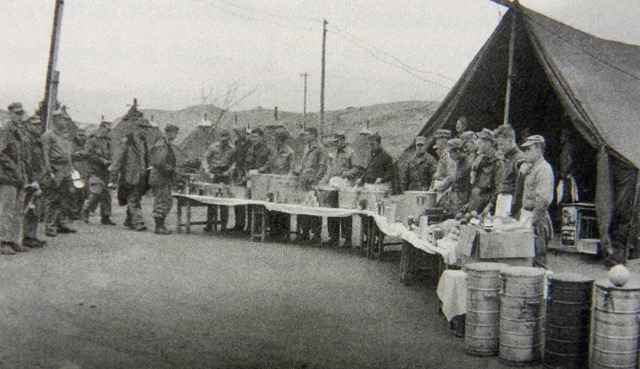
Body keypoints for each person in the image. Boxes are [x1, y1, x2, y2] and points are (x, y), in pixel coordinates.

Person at [111, 110, 152, 232]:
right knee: (133, 199)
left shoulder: (144, 142)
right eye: (143, 128)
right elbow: (117, 160)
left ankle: (129, 220)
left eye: (147, 128)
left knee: (136, 198)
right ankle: (138, 222)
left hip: (141, 176)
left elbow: (147, 159)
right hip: (128, 175)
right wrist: (113, 176)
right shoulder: (126, 141)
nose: (145, 130)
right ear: (137, 128)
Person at [519, 135, 554, 268]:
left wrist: (535, 219)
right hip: (527, 214)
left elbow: (543, 199)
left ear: (538, 150)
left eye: (529, 149)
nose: (525, 153)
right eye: (525, 150)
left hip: (537, 216)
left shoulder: (544, 169)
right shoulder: (532, 166)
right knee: (526, 257)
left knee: (538, 258)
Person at [322, 131, 359, 248]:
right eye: (334, 142)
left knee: (344, 212)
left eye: (338, 141)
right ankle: (333, 237)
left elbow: (357, 169)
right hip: (334, 184)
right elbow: (331, 168)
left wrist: (346, 173)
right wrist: (326, 180)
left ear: (343, 140)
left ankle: (347, 239)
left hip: (345, 186)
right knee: (332, 210)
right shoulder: (334, 153)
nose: (336, 144)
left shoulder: (350, 153)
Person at [42, 110, 77, 237]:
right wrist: (49, 171)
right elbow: (45, 154)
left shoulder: (64, 135)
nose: (65, 122)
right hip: (55, 168)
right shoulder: (48, 135)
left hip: (65, 169)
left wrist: (71, 167)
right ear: (56, 120)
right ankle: (50, 226)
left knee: (64, 197)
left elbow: (67, 154)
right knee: (53, 198)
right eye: (63, 119)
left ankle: (60, 223)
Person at [0, 103, 28, 254]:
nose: (20, 116)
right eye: (17, 113)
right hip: (7, 176)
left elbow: (23, 156)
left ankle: (14, 240)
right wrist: (14, 167)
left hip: (18, 177)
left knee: (18, 211)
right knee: (7, 210)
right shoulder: (6, 130)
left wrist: (23, 173)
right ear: (10, 114)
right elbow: (1, 152)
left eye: (21, 113)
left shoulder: (19, 132)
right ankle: (4, 241)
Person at [295, 127, 328, 244]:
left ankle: (317, 234)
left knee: (314, 207)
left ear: (314, 135)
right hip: (303, 181)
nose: (306, 137)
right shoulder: (306, 148)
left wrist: (315, 180)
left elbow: (322, 166)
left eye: (308, 135)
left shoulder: (320, 149)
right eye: (305, 135)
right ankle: (304, 232)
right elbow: (303, 164)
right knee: (303, 206)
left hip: (313, 182)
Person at [201, 129, 236, 232]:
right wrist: (207, 170)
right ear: (219, 138)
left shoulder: (233, 149)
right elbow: (205, 159)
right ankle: (210, 224)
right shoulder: (213, 147)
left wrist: (229, 171)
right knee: (211, 200)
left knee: (224, 201)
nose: (224, 140)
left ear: (229, 138)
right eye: (222, 138)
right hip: (214, 174)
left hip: (225, 176)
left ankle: (223, 226)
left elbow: (234, 162)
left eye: (226, 138)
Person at [81, 120, 115, 225]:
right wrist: (101, 160)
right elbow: (87, 154)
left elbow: (111, 154)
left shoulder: (108, 141)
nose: (108, 132)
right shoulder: (92, 140)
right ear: (101, 128)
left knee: (106, 195)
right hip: (94, 170)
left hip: (105, 171)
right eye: (107, 129)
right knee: (96, 192)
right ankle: (85, 210)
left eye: (109, 130)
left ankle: (105, 217)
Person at [21, 115, 48, 249]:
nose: (37, 127)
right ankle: (26, 237)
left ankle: (32, 235)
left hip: (40, 178)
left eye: (39, 125)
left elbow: (43, 160)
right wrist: (32, 180)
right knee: (29, 208)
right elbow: (26, 162)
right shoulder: (27, 141)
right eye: (34, 125)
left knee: (37, 209)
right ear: (28, 126)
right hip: (32, 179)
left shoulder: (38, 141)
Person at [149, 124, 179, 234]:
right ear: (168, 132)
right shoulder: (161, 145)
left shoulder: (166, 144)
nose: (175, 135)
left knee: (167, 201)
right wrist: (172, 170)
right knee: (161, 201)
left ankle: (161, 225)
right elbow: (159, 162)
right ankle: (159, 226)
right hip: (159, 177)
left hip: (163, 177)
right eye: (174, 133)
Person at [467, 128, 503, 213]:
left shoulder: (498, 162)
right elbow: (475, 183)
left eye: (480, 143)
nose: (478, 145)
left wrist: (490, 206)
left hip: (485, 206)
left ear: (488, 144)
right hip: (476, 204)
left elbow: (497, 189)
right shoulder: (481, 160)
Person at [493, 124, 525, 216]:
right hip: (502, 198)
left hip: (510, 201)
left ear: (510, 140)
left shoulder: (520, 159)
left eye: (501, 144)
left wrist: (514, 207)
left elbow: (519, 188)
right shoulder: (504, 158)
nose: (500, 148)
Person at [439, 138, 471, 214]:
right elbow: (452, 178)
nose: (450, 156)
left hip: (462, 199)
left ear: (458, 151)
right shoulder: (458, 163)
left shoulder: (467, 165)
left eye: (451, 153)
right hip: (455, 198)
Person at [231, 128, 251, 232]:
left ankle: (249, 226)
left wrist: (245, 173)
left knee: (248, 200)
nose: (239, 135)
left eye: (240, 133)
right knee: (237, 199)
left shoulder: (250, 144)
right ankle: (238, 224)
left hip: (247, 173)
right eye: (237, 133)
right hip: (237, 173)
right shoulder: (236, 143)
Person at [429, 129, 455, 194]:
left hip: (444, 191)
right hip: (440, 190)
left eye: (438, 140)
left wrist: (438, 188)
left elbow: (451, 177)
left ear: (443, 141)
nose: (436, 142)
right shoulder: (443, 155)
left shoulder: (449, 155)